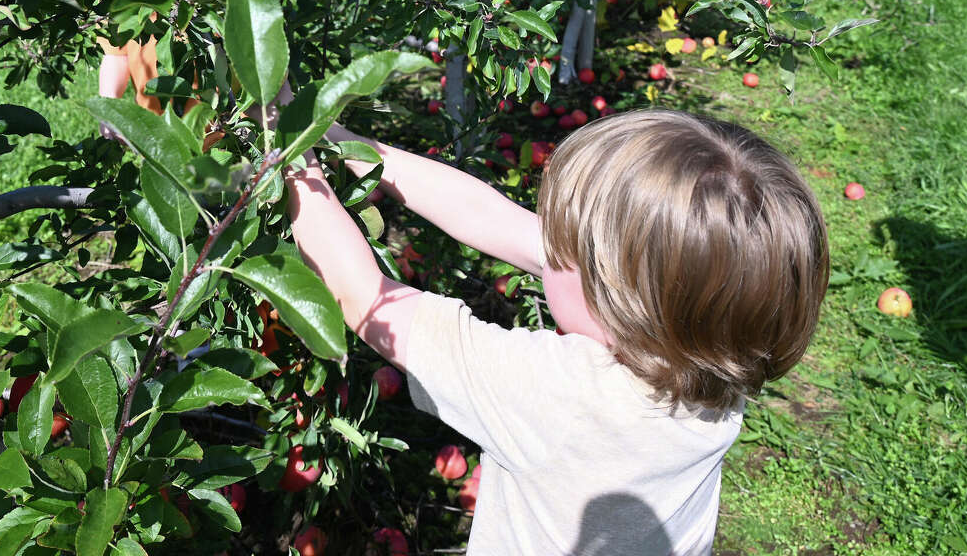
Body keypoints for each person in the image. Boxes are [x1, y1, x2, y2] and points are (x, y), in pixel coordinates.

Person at [276, 90, 829, 556]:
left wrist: (289, 147)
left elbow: (364, 296)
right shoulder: (717, 350)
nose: (545, 244)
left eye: (563, 247)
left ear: (613, 294)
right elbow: (490, 217)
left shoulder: (555, 395)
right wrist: (349, 143)